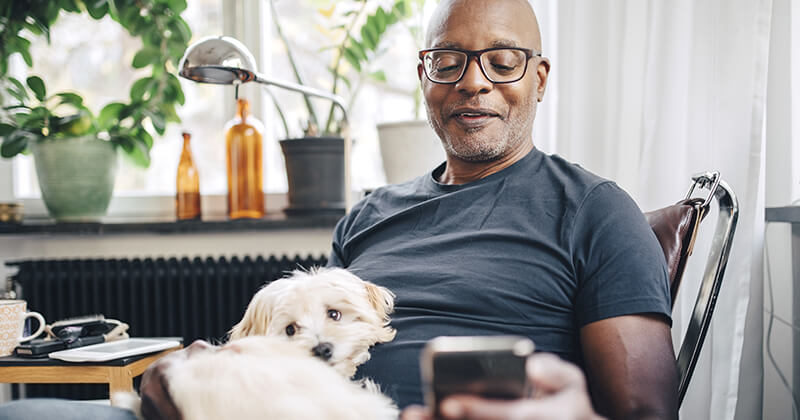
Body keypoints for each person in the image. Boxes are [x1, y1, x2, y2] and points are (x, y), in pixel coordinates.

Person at [0, 0, 676, 419]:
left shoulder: (594, 211)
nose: (474, 81)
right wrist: (206, 365)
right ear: (424, 79)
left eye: (503, 61)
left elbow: (643, 413)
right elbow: (294, 346)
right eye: (449, 61)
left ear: (539, 78)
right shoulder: (371, 214)